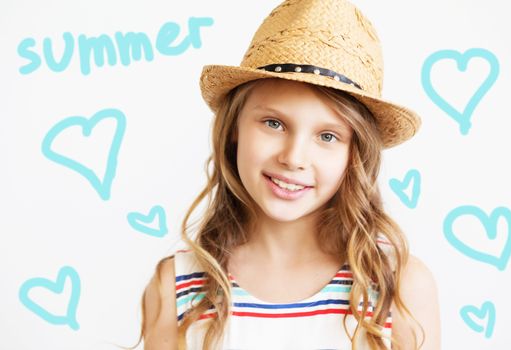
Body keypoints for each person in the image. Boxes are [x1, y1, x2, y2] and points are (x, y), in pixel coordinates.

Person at [129, 0, 441, 349]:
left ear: (355, 153)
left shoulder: (397, 288)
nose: (294, 158)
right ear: (234, 128)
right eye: (274, 123)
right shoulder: (177, 287)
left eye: (327, 136)